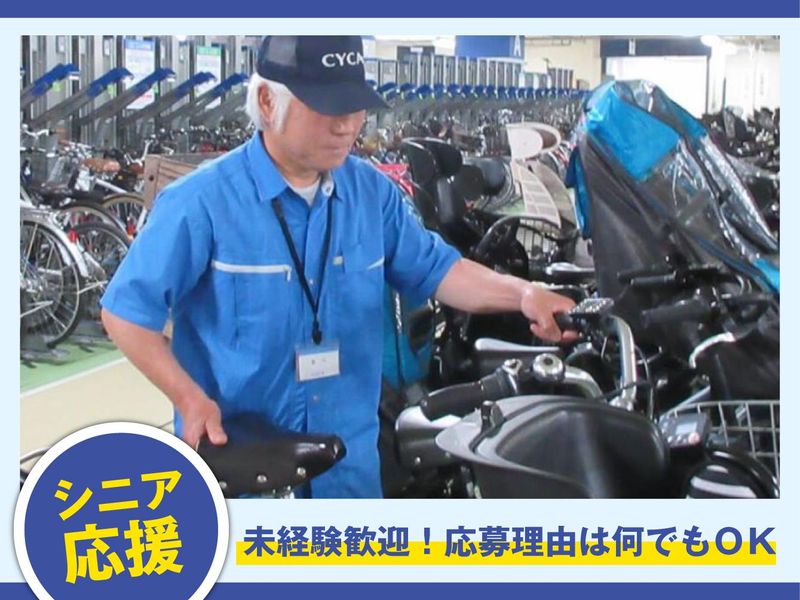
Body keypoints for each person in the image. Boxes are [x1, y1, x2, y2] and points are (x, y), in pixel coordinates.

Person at [101, 35, 576, 499]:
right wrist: (188, 397)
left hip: (349, 475)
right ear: (267, 102)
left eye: (355, 106)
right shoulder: (201, 203)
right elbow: (126, 313)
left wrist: (523, 294)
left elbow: (439, 270)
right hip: (247, 477)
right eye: (328, 107)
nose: (347, 124)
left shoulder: (372, 195)